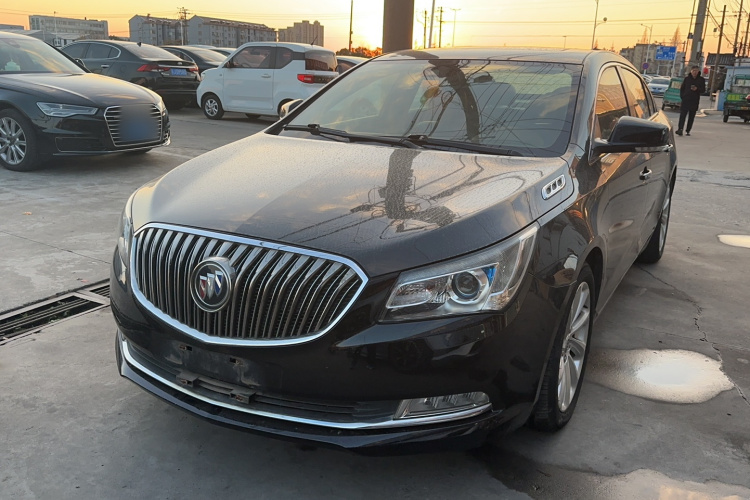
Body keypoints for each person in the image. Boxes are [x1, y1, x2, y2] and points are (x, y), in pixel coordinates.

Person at [676, 65, 706, 136]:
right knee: (682, 116)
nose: (695, 72)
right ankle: (680, 129)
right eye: (693, 71)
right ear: (691, 71)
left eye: (696, 71)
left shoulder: (701, 80)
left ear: (698, 71)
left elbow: (703, 90)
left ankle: (688, 130)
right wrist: (683, 96)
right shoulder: (687, 79)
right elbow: (682, 89)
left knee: (691, 116)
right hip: (686, 100)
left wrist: (697, 89)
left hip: (694, 101)